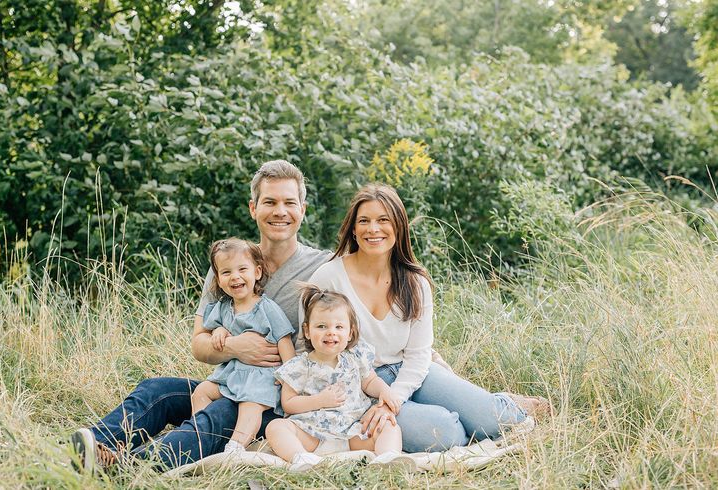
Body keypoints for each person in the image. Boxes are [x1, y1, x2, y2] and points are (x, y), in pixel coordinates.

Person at [71, 160, 331, 473]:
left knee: (220, 411)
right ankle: (87, 450)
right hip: (231, 381)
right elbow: (200, 344)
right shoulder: (229, 264)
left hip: (278, 402)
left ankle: (128, 469)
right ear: (253, 208)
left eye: (289, 202)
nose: (280, 211)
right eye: (270, 202)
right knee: (157, 390)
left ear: (303, 208)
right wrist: (235, 347)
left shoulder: (323, 268)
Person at [307, 183, 549, 453]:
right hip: (359, 386)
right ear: (353, 228)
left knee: (496, 420)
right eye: (364, 221)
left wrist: (393, 399)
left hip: (410, 372)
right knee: (446, 435)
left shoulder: (414, 282)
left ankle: (505, 403)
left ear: (398, 227)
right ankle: (454, 415)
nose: (373, 229)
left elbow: (419, 355)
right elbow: (307, 344)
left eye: (383, 220)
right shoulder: (328, 277)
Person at [266, 285, 416, 471]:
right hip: (313, 434)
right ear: (307, 331)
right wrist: (318, 401)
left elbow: (369, 381)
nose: (331, 332)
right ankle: (301, 458)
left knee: (388, 425)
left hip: (353, 431)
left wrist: (385, 390)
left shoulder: (355, 356)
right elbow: (288, 403)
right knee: (276, 427)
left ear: (350, 332)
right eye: (321, 326)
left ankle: (387, 458)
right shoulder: (299, 366)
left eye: (339, 326)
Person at [190, 238, 295, 456]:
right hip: (231, 375)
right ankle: (200, 433)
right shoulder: (223, 307)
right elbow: (213, 330)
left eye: (242, 269)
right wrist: (219, 332)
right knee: (201, 391)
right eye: (226, 272)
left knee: (251, 406)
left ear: (257, 272)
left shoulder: (267, 308)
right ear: (218, 280)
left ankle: (236, 446)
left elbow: (284, 340)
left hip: (260, 377)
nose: (235, 277)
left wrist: (288, 376)